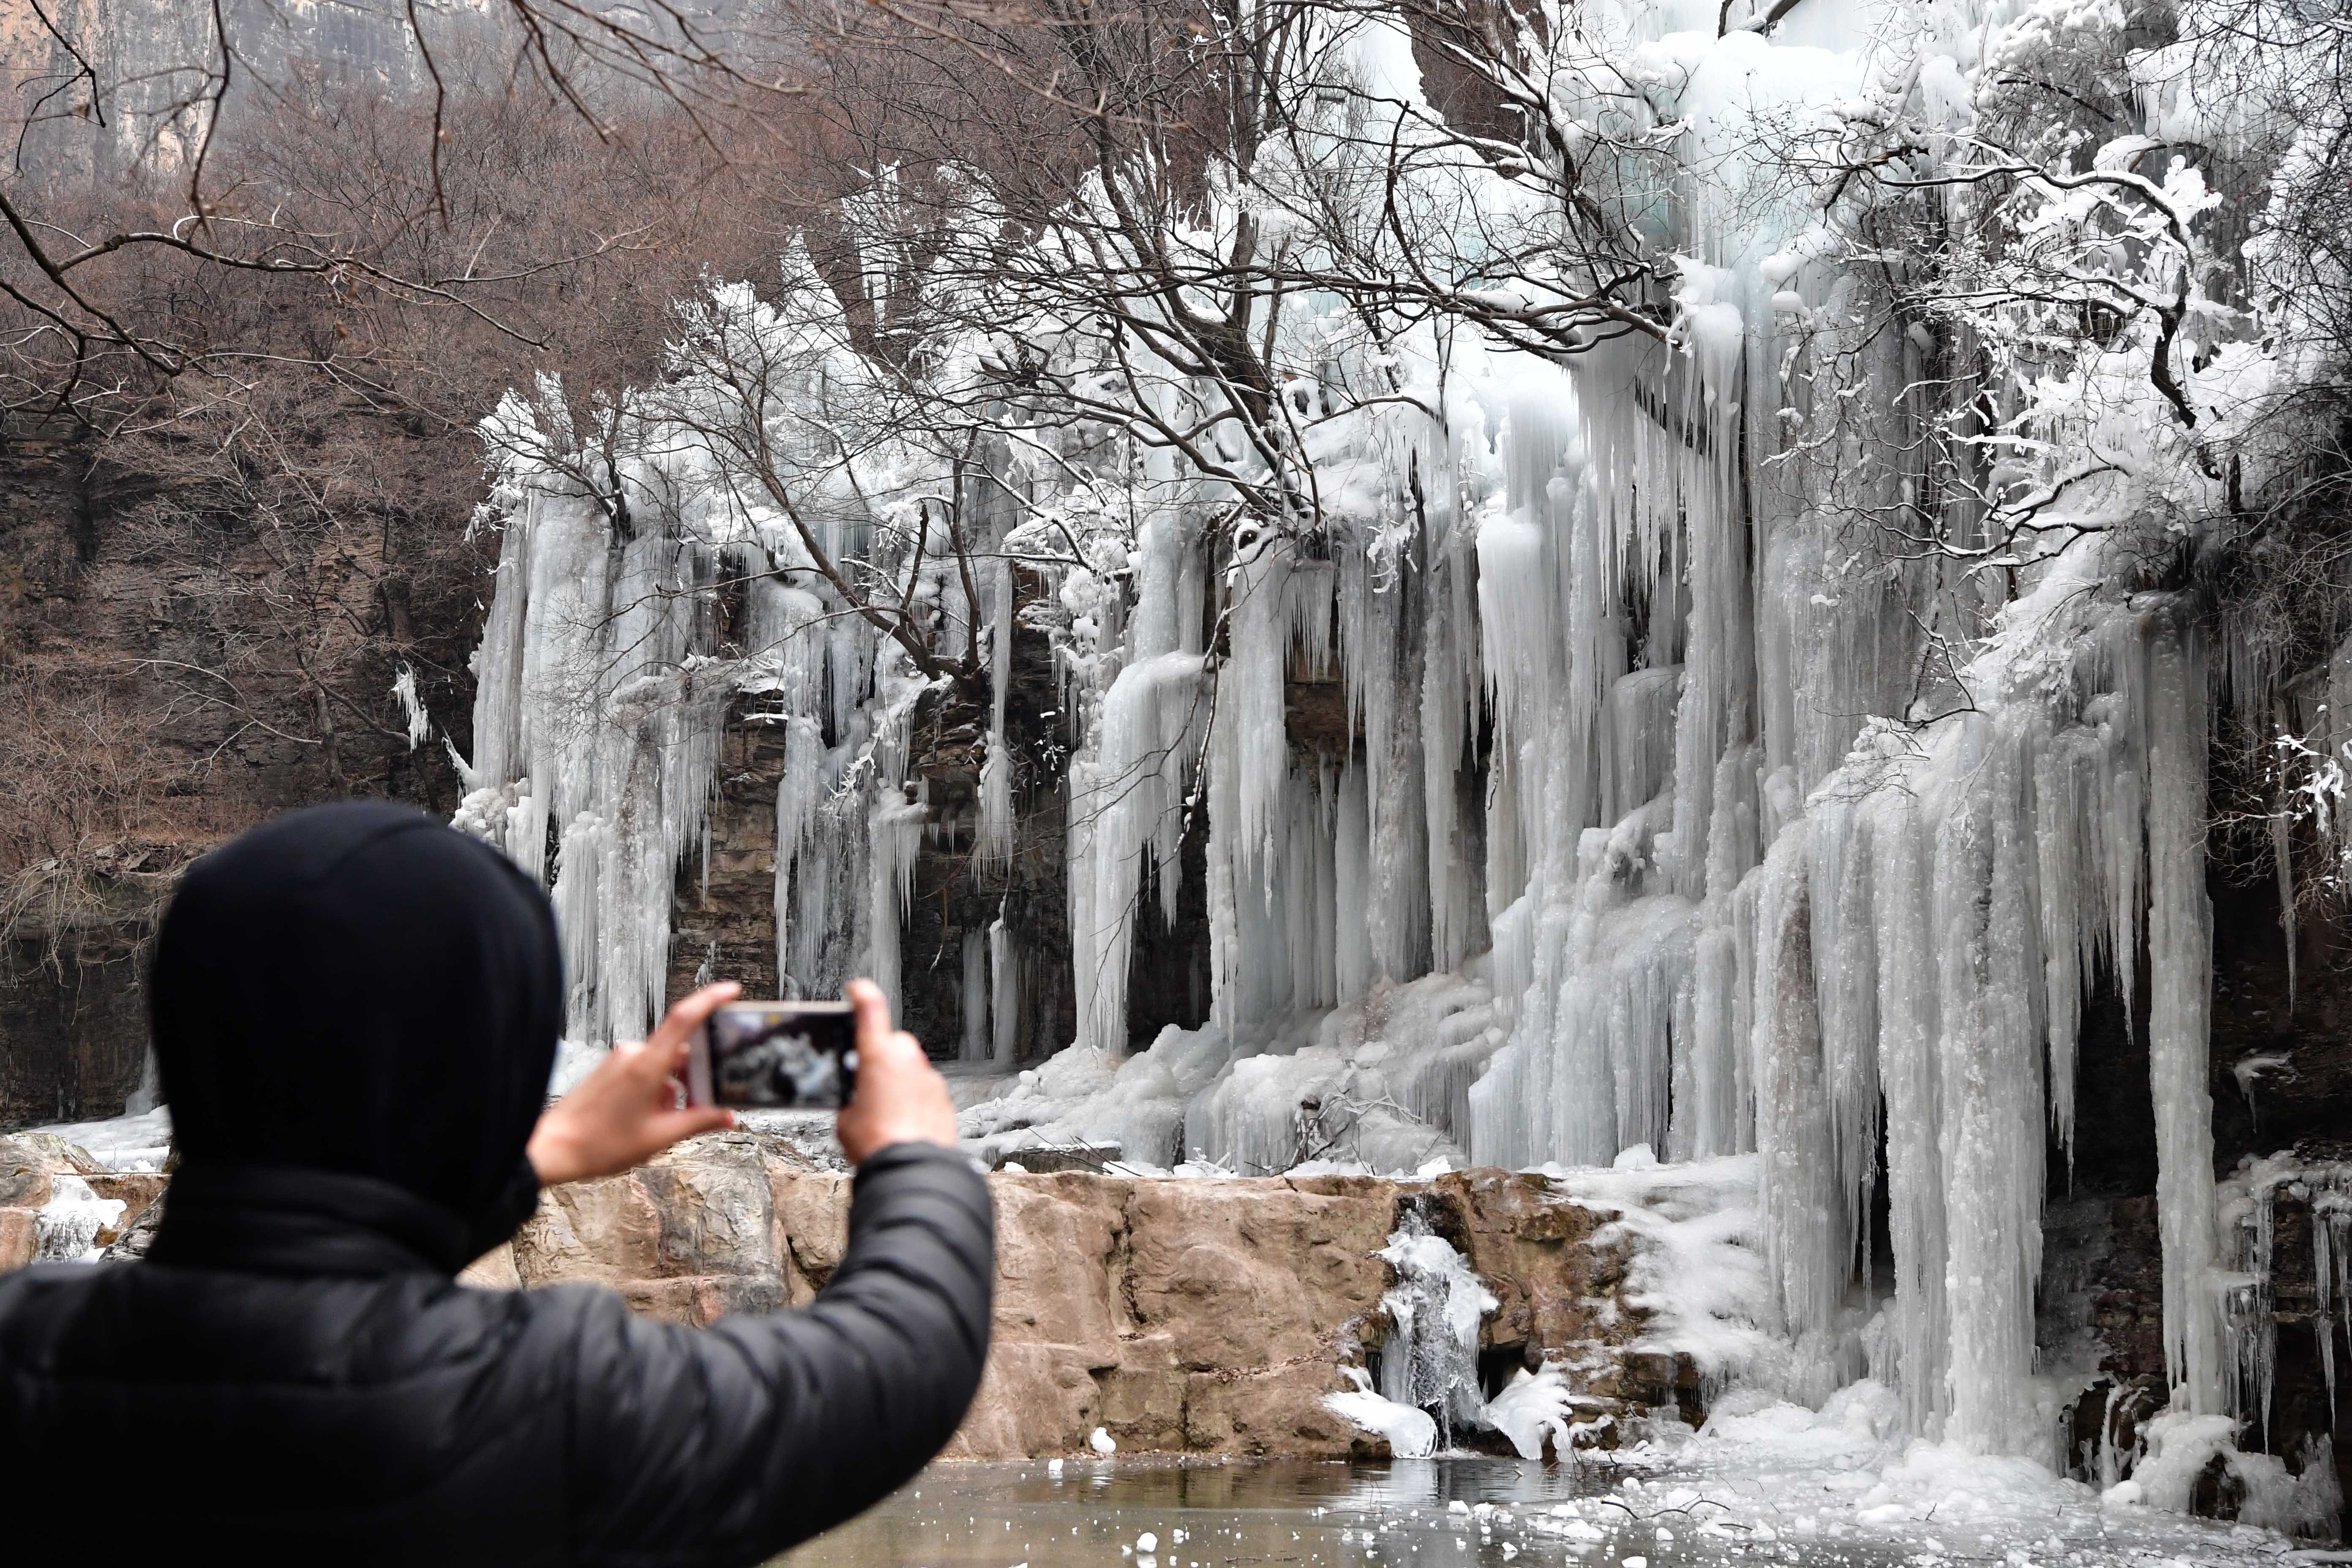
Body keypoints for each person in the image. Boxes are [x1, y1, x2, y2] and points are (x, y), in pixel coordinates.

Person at [0, 801, 994, 1564]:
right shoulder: (547, 1409)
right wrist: (914, 1157)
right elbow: (897, 1360)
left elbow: (303, 1258)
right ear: (494, 1066)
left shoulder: (30, 1344)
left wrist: (528, 1157)